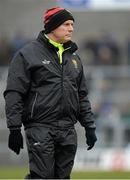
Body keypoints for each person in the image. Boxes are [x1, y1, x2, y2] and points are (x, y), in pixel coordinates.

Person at [4, 7, 97, 179]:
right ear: (52, 26)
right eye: (66, 24)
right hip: (40, 127)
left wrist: (89, 126)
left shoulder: (74, 59)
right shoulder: (27, 55)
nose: (71, 28)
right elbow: (14, 92)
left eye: (72, 24)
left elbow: (82, 96)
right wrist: (14, 128)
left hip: (68, 130)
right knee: (42, 176)